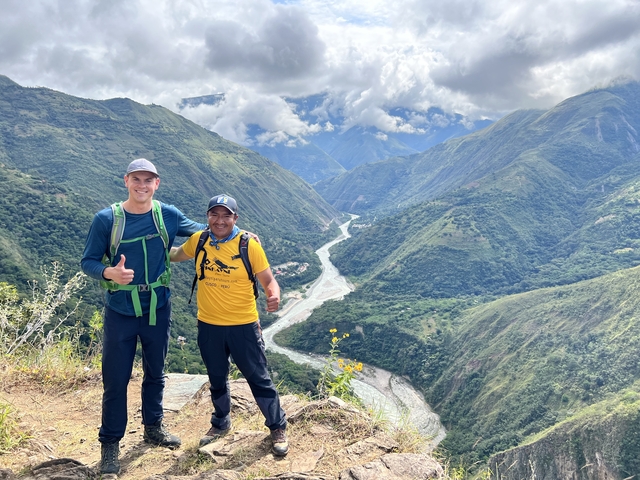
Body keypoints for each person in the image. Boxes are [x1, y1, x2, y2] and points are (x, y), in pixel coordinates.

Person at [81, 158, 207, 475]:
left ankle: (154, 426)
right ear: (126, 181)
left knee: (156, 372)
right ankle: (110, 445)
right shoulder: (106, 219)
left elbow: (207, 233)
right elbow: (88, 262)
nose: (142, 185)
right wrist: (109, 272)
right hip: (120, 310)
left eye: (148, 180)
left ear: (157, 184)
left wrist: (243, 235)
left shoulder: (168, 215)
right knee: (116, 379)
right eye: (136, 179)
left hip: (158, 307)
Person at [169, 194, 289, 456]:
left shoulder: (248, 245)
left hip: (243, 325)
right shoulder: (199, 240)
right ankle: (221, 421)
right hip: (209, 324)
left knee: (258, 378)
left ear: (236, 218)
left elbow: (269, 280)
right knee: (216, 378)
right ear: (207, 216)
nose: (220, 220)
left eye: (226, 215)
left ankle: (277, 426)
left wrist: (274, 295)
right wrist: (148, 250)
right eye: (215, 214)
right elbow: (177, 254)